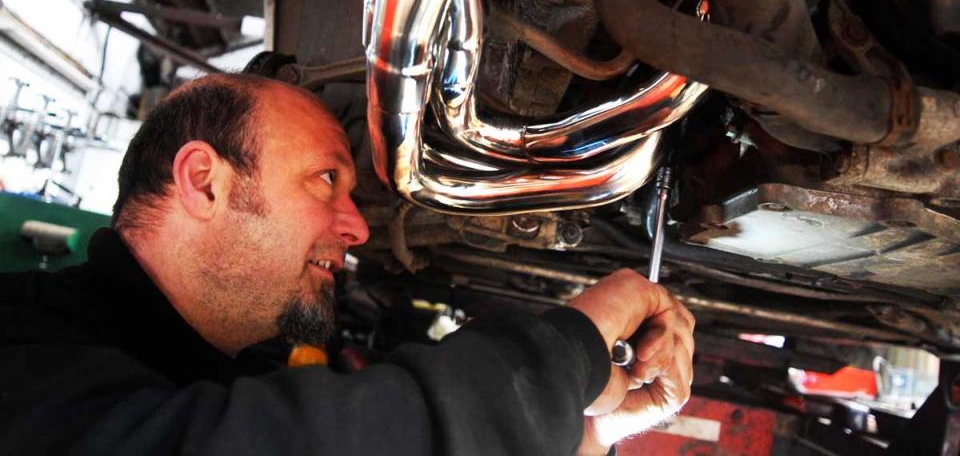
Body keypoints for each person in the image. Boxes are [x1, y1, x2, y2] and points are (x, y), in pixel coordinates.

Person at [0, 74, 695, 455]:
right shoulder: (20, 354)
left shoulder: (206, 373)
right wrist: (566, 352)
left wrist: (603, 426)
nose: (358, 228)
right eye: (326, 180)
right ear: (204, 181)